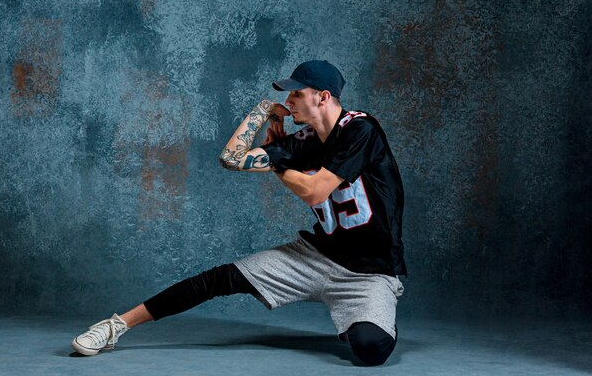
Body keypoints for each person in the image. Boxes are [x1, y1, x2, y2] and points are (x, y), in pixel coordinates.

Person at [71, 60, 406, 366]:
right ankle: (116, 326)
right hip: (317, 256)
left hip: (369, 273)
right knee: (221, 278)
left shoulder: (361, 130)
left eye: (296, 94)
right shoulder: (303, 141)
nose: (288, 102)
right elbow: (230, 158)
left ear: (323, 97)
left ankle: (360, 315)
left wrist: (277, 164)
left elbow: (314, 190)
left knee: (370, 347)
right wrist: (262, 112)